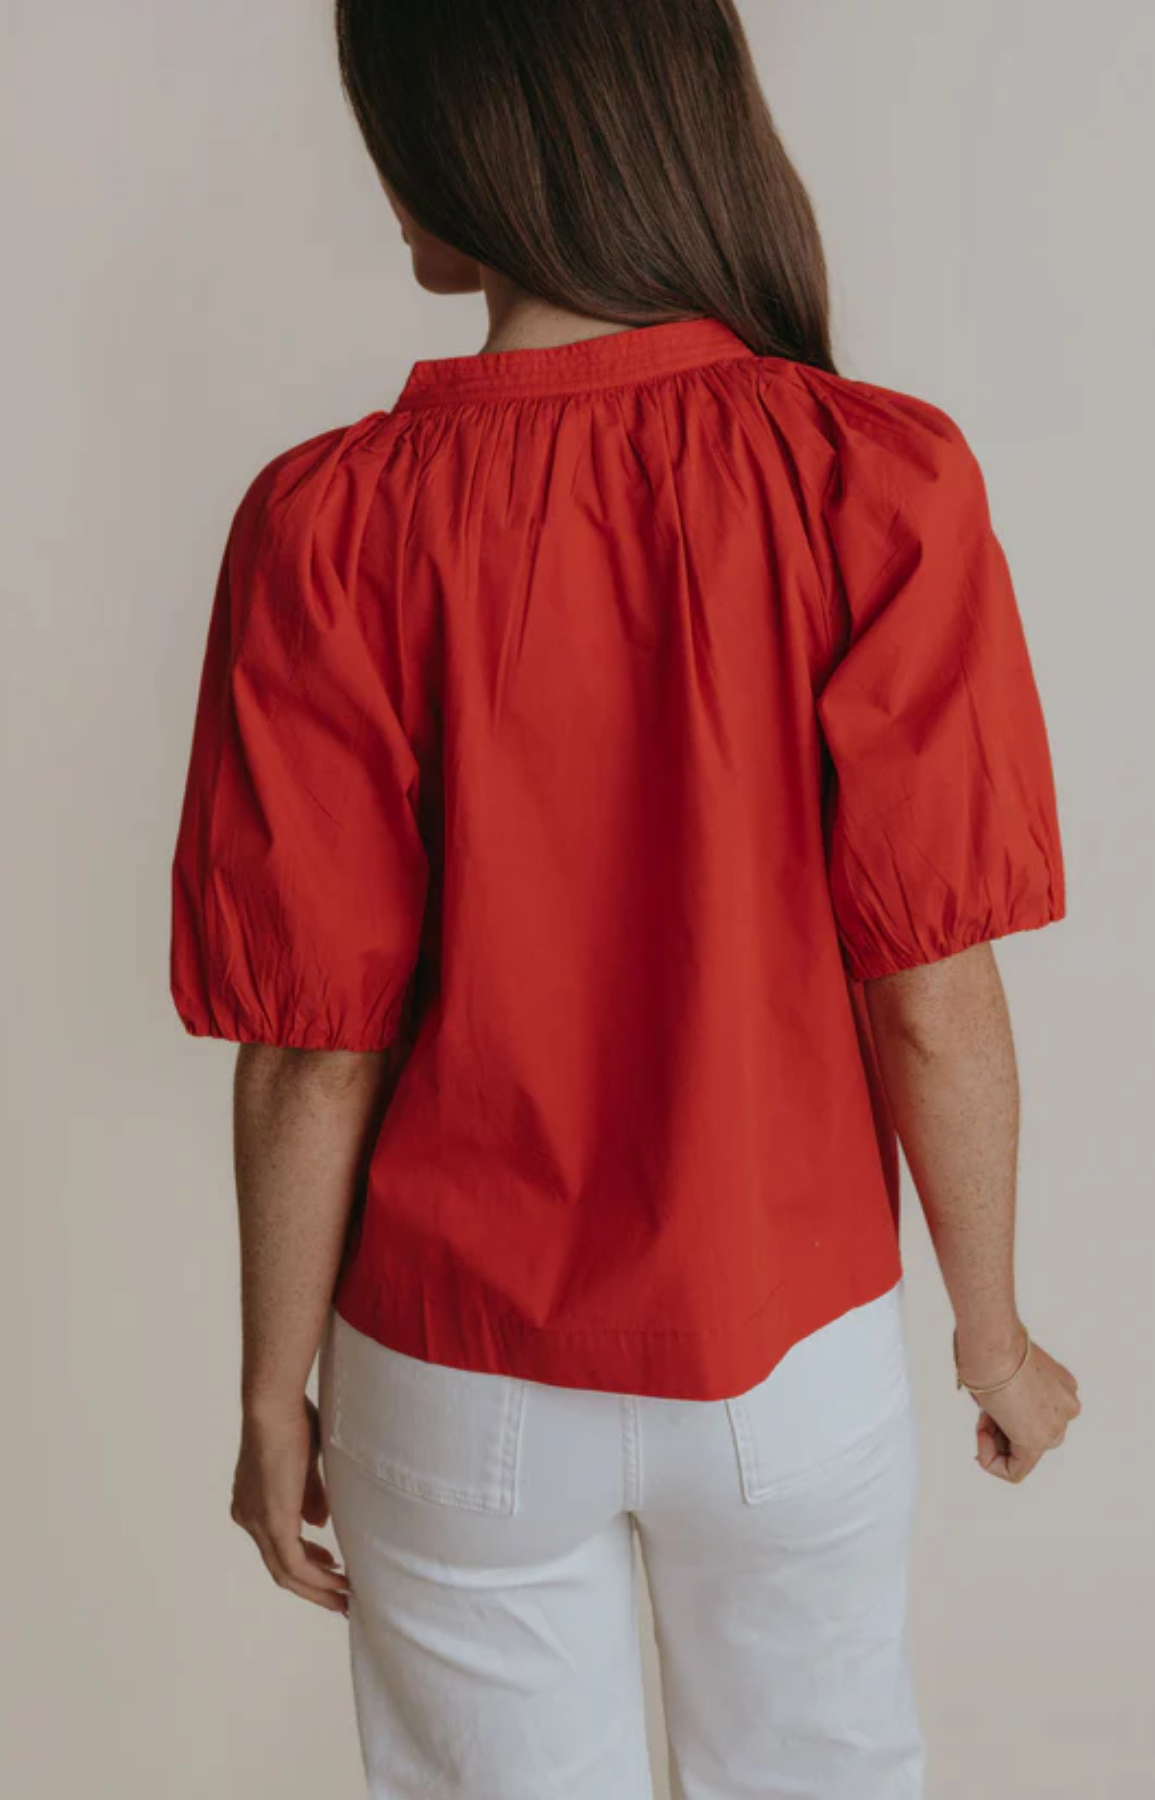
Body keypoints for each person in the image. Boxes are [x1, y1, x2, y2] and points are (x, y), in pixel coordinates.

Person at [169, 1, 1082, 1794]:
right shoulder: (874, 481)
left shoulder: (330, 527)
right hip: (791, 1353)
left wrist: (273, 1394)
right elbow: (932, 984)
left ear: (493, 137)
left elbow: (310, 1054)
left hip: (453, 1370)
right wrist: (995, 1333)